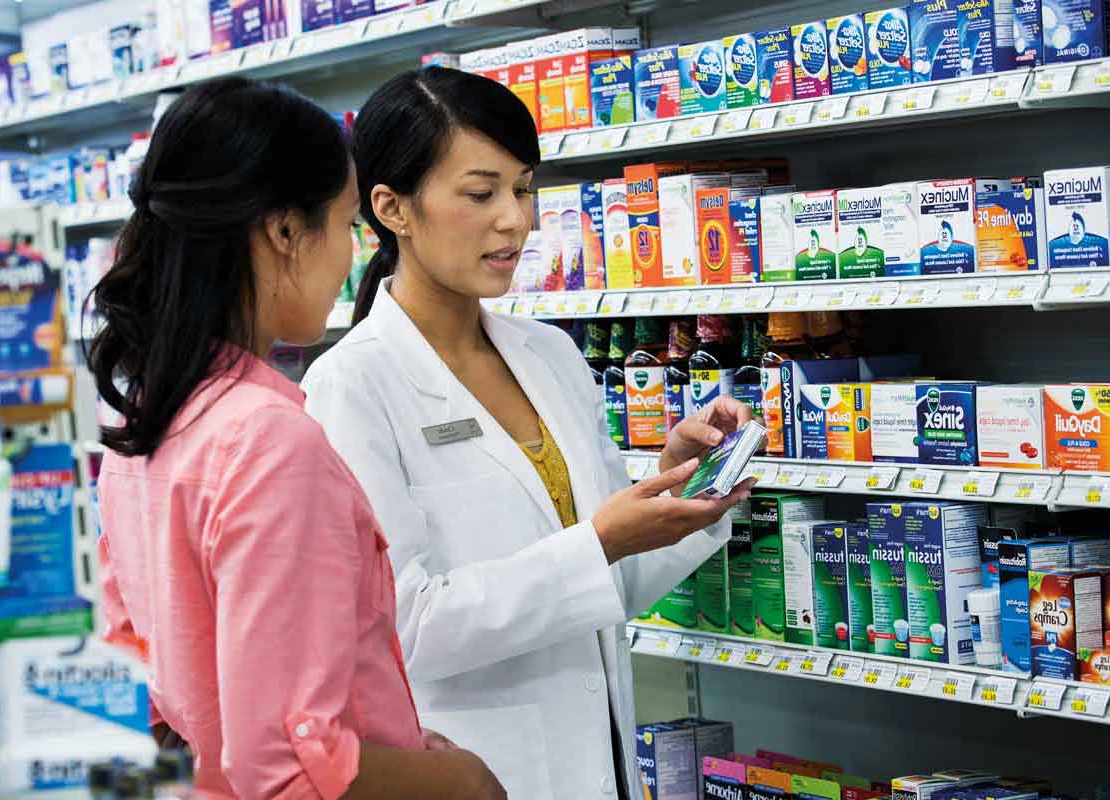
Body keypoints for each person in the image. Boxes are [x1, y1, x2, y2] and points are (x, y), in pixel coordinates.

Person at [302, 67, 759, 799]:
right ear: (392, 208)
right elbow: (404, 626)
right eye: (481, 194)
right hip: (473, 770)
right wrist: (602, 540)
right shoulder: (350, 386)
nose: (515, 220)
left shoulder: (548, 352)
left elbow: (611, 582)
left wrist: (676, 491)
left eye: (523, 188)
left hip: (599, 762)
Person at [87, 77, 505, 800]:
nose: (352, 258)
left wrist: (392, 749)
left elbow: (153, 677)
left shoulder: (149, 418)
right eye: (346, 224)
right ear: (284, 231)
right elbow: (287, 770)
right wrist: (459, 783)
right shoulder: (268, 442)